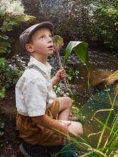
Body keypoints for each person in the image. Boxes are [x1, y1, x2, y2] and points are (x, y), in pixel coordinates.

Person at [16, 21, 83, 156]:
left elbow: (42, 91)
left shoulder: (40, 67)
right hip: (33, 127)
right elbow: (37, 117)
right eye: (42, 37)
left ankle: (57, 138)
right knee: (79, 129)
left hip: (42, 112)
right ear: (30, 47)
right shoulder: (34, 78)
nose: (49, 39)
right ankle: (32, 147)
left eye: (49, 35)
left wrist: (55, 79)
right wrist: (60, 126)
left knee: (67, 101)